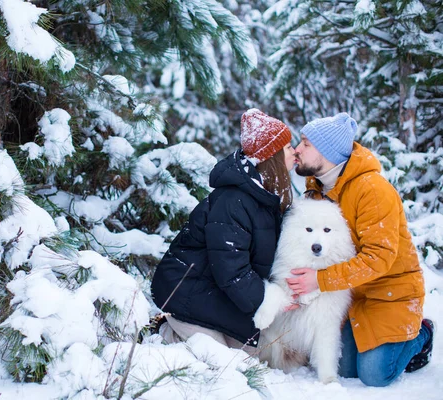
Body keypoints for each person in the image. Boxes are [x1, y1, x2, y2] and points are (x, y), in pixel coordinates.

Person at [286, 112, 435, 387]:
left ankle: (421, 335)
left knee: (375, 374)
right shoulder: (316, 192)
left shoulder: (372, 190)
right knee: (343, 368)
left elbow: (378, 259)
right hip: (351, 296)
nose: (297, 150)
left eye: (305, 143)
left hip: (390, 294)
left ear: (327, 152)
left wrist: (318, 281)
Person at [151, 109, 297, 350]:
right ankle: (163, 332)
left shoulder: (265, 196)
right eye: (288, 147)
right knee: (222, 359)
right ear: (273, 157)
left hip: (214, 291)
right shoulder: (234, 201)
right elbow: (232, 271)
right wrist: (270, 301)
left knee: (252, 352)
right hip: (187, 289)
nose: (295, 152)